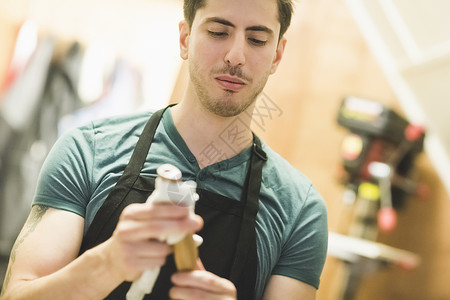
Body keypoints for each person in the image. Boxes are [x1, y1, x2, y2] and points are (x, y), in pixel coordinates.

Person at [0, 0, 328, 299]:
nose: (235, 56)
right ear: (185, 39)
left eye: (257, 39)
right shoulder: (88, 149)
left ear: (278, 55)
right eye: (218, 32)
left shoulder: (299, 209)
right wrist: (107, 264)